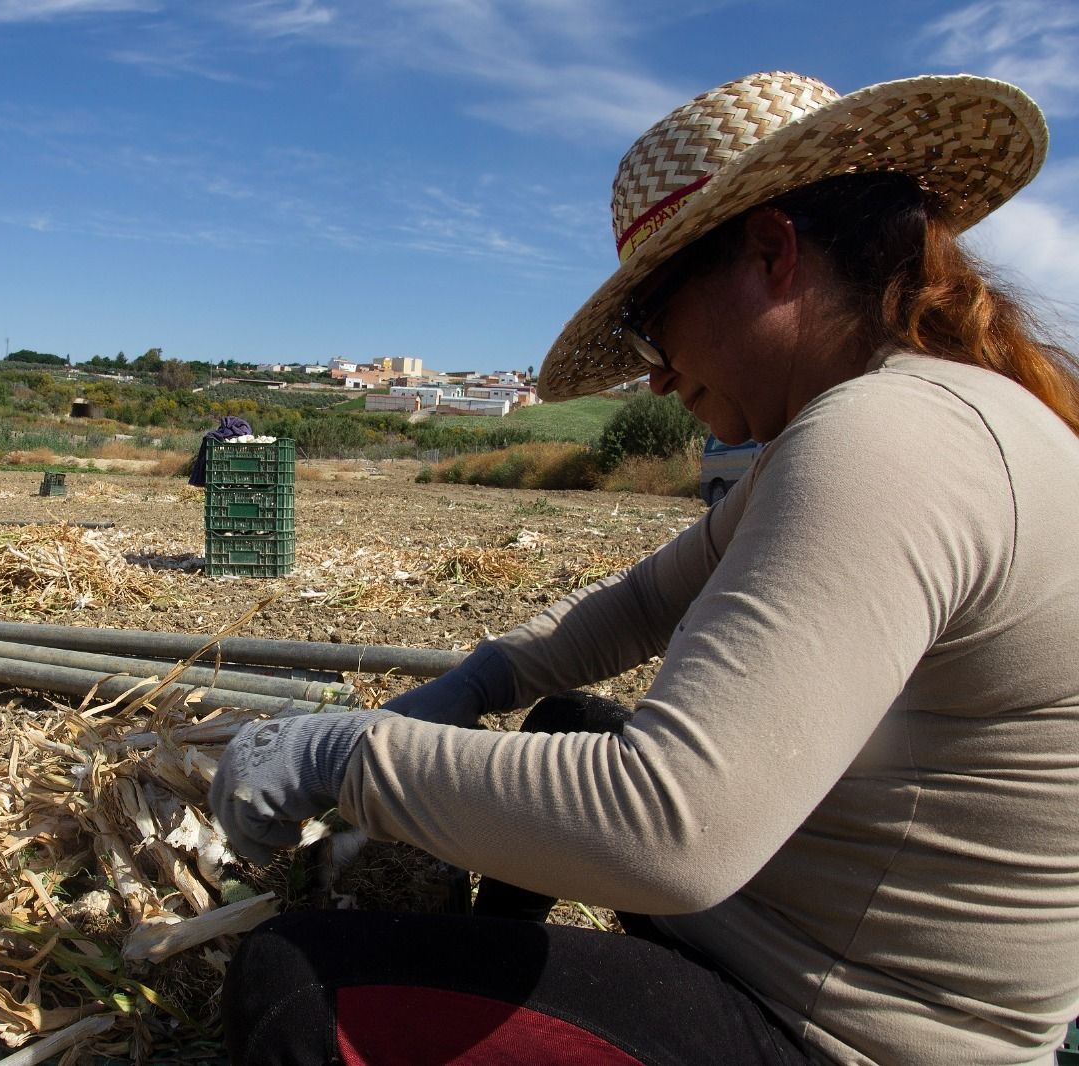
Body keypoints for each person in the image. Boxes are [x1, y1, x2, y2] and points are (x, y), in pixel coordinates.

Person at [209, 71, 1079, 1066]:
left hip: (852, 1031)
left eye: (650, 321)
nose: (654, 375)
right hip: (799, 938)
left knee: (293, 982)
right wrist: (477, 680)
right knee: (568, 724)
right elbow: (640, 602)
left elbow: (672, 828)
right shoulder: (919, 414)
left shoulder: (889, 435)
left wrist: (337, 755)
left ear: (769, 252)